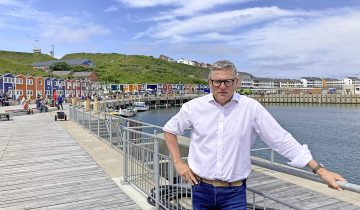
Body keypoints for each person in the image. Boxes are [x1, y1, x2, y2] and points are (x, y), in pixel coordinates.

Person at [163, 60, 346, 210]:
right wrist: (178, 163)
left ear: (236, 82)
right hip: (200, 188)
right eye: (217, 81)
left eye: (228, 81)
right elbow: (170, 129)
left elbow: (281, 140)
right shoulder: (194, 107)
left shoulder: (251, 108)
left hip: (233, 193)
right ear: (210, 82)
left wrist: (320, 170)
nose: (222, 86)